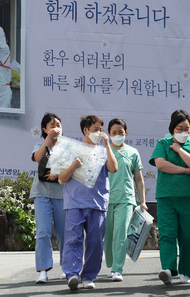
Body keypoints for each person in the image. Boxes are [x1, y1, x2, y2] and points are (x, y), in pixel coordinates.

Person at [60, 115, 118, 291]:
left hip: (97, 203)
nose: (99, 133)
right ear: (85, 130)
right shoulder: (71, 149)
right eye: (95, 129)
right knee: (73, 240)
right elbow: (62, 179)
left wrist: (107, 145)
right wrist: (72, 167)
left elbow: (114, 168)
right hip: (74, 203)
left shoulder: (103, 151)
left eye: (101, 130)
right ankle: (72, 275)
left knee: (95, 242)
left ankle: (89, 276)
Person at [150, 110, 190, 285]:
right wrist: (183, 170)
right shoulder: (163, 143)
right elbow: (161, 164)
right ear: (172, 129)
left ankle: (186, 271)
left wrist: (179, 150)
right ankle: (167, 268)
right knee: (167, 233)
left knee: (188, 236)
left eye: (187, 129)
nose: (184, 131)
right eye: (179, 128)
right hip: (166, 196)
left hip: (189, 197)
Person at [104, 118, 147, 282]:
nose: (117, 135)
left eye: (120, 132)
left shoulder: (133, 152)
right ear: (109, 133)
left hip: (126, 198)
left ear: (126, 132)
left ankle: (118, 269)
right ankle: (111, 265)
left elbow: (139, 179)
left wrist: (142, 201)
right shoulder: (104, 151)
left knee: (120, 234)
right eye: (113, 132)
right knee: (108, 236)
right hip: (106, 199)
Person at [29, 112, 66, 284]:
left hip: (62, 194)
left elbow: (75, 167)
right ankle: (43, 270)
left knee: (64, 233)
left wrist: (58, 173)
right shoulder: (40, 143)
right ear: (44, 129)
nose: (56, 128)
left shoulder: (67, 146)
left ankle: (67, 267)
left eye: (58, 124)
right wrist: (47, 139)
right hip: (42, 193)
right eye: (52, 125)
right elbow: (37, 157)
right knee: (43, 231)